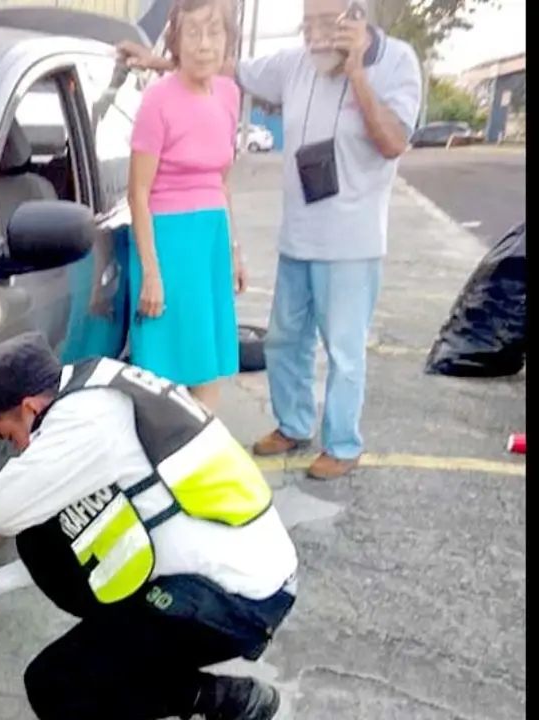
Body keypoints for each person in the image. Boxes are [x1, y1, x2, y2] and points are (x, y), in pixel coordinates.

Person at [120, 0, 422, 480]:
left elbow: (393, 141)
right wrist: (162, 60)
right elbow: (222, 61)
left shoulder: (396, 62)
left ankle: (343, 444)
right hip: (298, 235)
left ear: (357, 19)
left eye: (329, 24)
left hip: (351, 241)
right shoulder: (294, 64)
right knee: (284, 341)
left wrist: (358, 72)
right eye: (308, 25)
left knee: (344, 352)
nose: (317, 36)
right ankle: (293, 424)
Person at [0, 332, 298, 720]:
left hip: (233, 600)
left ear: (29, 407)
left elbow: (3, 509)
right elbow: (93, 539)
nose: (15, 447)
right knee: (93, 659)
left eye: (6, 434)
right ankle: (227, 700)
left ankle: (221, 698)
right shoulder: (99, 381)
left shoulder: (87, 421)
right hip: (235, 579)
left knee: (59, 683)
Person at [126, 0, 247, 413]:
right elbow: (137, 194)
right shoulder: (157, 101)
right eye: (193, 32)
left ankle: (198, 465)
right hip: (168, 246)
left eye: (214, 32)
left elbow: (221, 183)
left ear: (227, 41)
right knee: (164, 376)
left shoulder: (229, 95)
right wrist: (151, 273)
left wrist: (234, 251)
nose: (204, 44)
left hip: (210, 243)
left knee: (206, 367)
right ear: (176, 39)